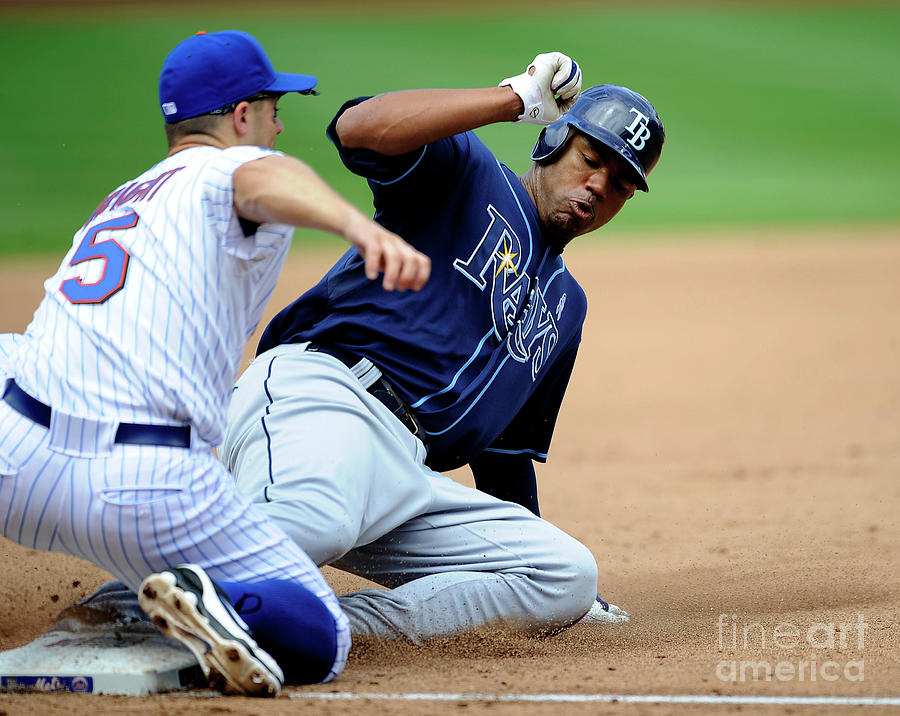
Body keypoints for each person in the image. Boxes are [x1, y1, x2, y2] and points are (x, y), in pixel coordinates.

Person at [0, 30, 430, 697]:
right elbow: (264, 175)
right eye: (272, 108)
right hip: (141, 490)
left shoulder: (123, 198)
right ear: (240, 117)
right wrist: (360, 227)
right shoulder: (228, 171)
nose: (279, 124)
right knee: (322, 634)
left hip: (15, 459)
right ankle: (218, 602)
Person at [217, 52, 665, 643]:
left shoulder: (566, 307)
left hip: (402, 475)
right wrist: (515, 99)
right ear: (553, 139)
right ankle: (122, 616)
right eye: (591, 160)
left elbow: (505, 457)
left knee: (565, 576)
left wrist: (520, 552)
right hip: (326, 401)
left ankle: (316, 628)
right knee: (312, 525)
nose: (598, 188)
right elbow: (357, 129)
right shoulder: (467, 175)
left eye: (621, 185)